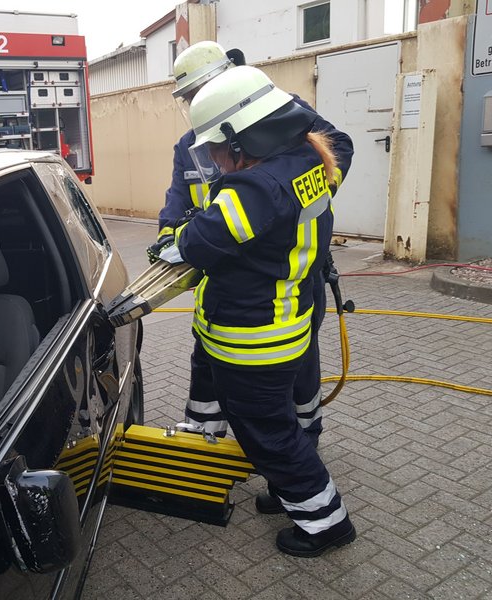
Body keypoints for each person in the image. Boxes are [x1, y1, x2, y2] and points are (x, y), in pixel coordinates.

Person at [159, 65, 356, 556]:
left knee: (268, 435)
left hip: (253, 337)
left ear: (240, 138)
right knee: (287, 421)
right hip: (289, 320)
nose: (211, 158)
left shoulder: (250, 189)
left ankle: (325, 523)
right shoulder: (310, 160)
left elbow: (198, 245)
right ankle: (288, 490)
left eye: (215, 148)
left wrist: (174, 239)